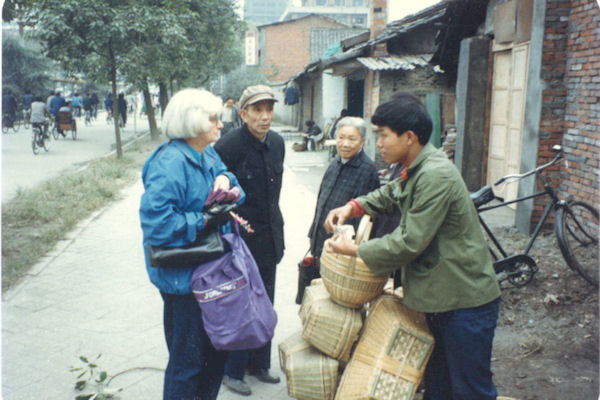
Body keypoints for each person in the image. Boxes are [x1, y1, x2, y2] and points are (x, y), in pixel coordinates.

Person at [323, 93, 502, 400]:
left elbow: (409, 243)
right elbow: (390, 194)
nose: (378, 143)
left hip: (464, 303)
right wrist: (353, 207)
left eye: (383, 135)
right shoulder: (416, 168)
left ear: (409, 137)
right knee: (438, 388)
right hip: (442, 299)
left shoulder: (435, 175)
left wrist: (355, 250)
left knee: (470, 391)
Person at [139, 88, 246, 400]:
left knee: (215, 355)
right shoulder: (170, 163)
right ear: (192, 122)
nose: (220, 125)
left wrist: (227, 183)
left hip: (211, 270)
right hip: (184, 280)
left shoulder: (206, 152)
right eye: (214, 119)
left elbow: (232, 181)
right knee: (186, 363)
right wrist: (203, 221)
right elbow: (157, 225)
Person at [213, 85, 285, 396]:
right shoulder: (227, 146)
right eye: (257, 110)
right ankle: (233, 370)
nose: (265, 116)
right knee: (241, 303)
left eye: (269, 109)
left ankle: (260, 363)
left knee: (266, 300)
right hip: (239, 238)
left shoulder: (278, 143)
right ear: (243, 114)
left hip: (269, 236)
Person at [296, 116, 380, 304]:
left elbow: (365, 216)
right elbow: (321, 201)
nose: (345, 144)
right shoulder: (336, 163)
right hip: (321, 240)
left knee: (335, 300)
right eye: (341, 137)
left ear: (363, 141)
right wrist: (313, 231)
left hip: (343, 248)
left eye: (352, 139)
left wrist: (353, 246)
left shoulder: (367, 170)